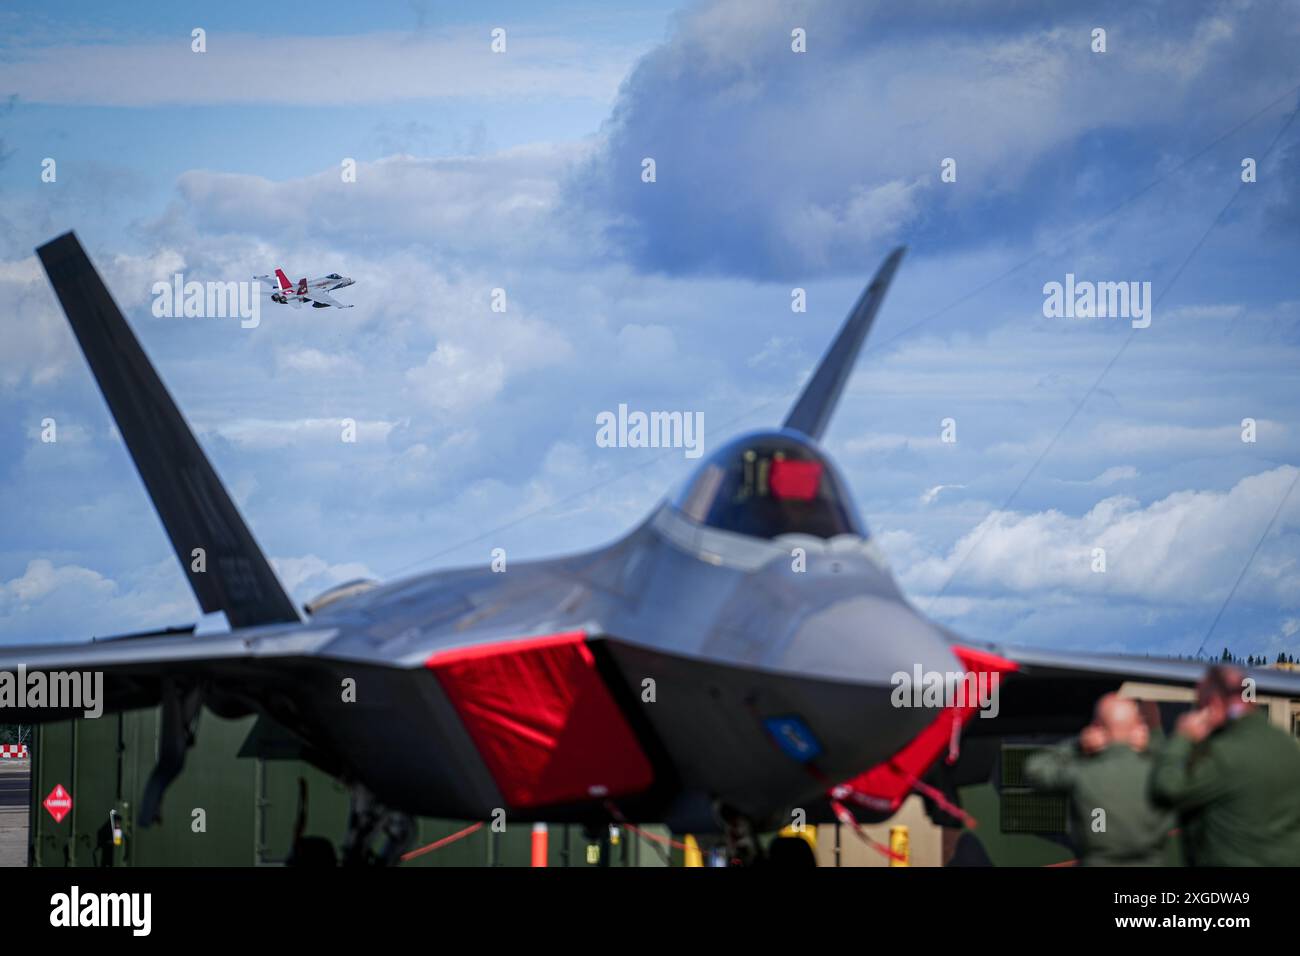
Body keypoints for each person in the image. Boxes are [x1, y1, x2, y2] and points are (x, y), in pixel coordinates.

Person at [1150, 664, 1300, 866]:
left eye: (1201, 704)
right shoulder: (1287, 746)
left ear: (1213, 703)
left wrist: (1182, 738)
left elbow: (1166, 789)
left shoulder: (1223, 755)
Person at [1024, 693, 1173, 866]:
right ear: (1139, 728)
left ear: (1097, 728)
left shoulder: (1083, 773)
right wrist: (1151, 746)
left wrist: (1078, 745)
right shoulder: (1159, 774)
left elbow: (1035, 769)